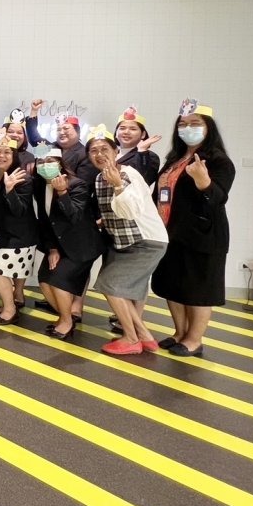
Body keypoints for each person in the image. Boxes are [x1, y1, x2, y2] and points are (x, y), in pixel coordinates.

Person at [151, 99, 236, 357]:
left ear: (208, 128)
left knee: (198, 289)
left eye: (195, 123)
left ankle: (194, 339)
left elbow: (217, 198)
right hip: (170, 233)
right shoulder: (175, 158)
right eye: (183, 124)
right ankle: (180, 332)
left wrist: (204, 182)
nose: (188, 129)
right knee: (173, 285)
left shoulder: (218, 161)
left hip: (202, 235)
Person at [86, 125, 168, 354]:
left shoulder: (127, 174)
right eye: (93, 151)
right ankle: (144, 336)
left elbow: (131, 210)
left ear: (116, 151)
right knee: (122, 289)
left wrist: (118, 185)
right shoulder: (99, 177)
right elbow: (113, 210)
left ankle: (131, 339)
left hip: (145, 240)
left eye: (104, 149)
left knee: (110, 284)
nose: (99, 154)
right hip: (126, 242)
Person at [32, 142, 104, 339]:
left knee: (59, 281)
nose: (45, 165)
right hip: (59, 245)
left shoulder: (77, 184)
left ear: (60, 163)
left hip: (82, 245)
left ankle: (66, 321)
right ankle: (65, 315)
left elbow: (75, 216)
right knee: (44, 280)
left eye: (50, 161)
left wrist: (63, 193)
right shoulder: (40, 186)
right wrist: (52, 248)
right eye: (41, 162)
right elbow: (45, 221)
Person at [0, 131, 37, 325]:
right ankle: (9, 301)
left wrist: (10, 189)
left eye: (7, 152)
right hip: (0, 234)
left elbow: (19, 211)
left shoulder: (22, 177)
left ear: (14, 155)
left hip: (20, 236)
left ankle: (10, 309)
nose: (1, 156)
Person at [113, 105, 162, 186]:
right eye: (122, 128)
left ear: (143, 134)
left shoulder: (150, 156)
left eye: (133, 129)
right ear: (116, 133)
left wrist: (142, 152)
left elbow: (144, 180)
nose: (126, 132)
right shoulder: (109, 155)